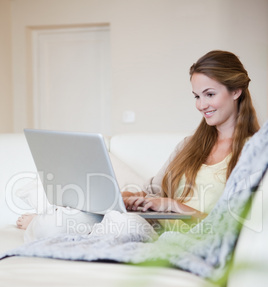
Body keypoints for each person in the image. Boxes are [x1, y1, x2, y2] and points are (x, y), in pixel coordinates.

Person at [17, 50, 259, 240]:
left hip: (185, 236)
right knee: (58, 224)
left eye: (209, 94)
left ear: (236, 91)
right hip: (151, 225)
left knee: (122, 226)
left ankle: (63, 231)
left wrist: (175, 206)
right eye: (197, 96)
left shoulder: (253, 152)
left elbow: (235, 225)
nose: (201, 105)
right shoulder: (189, 145)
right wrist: (124, 197)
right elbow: (154, 191)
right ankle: (56, 225)